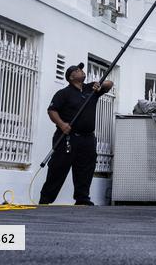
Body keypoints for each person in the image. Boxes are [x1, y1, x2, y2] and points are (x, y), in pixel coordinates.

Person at [38, 62, 113, 206]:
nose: (82, 71)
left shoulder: (91, 88)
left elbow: (110, 84)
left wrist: (100, 85)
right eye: (78, 70)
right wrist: (62, 124)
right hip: (68, 138)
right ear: (72, 77)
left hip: (87, 138)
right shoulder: (63, 93)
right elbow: (52, 110)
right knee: (58, 168)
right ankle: (45, 200)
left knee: (86, 168)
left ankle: (82, 199)